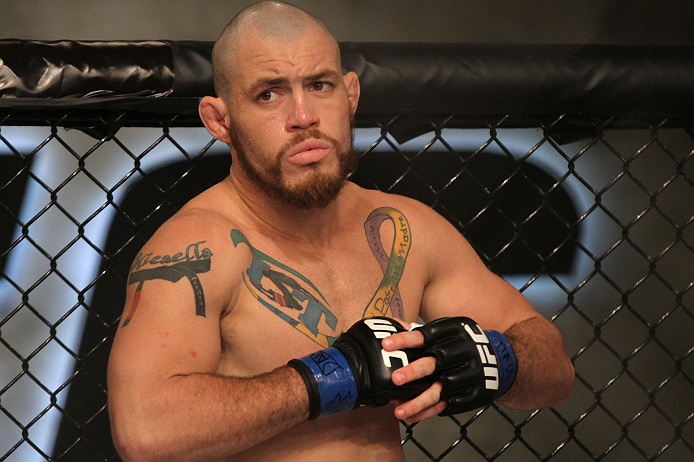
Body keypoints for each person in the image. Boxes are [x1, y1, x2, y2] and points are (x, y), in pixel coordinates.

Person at [107, 2, 575, 461]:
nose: (304, 116)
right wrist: (329, 378)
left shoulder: (404, 229)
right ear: (219, 120)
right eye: (269, 93)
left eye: (320, 85)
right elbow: (145, 432)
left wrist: (498, 358)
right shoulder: (201, 246)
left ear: (350, 95)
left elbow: (555, 369)